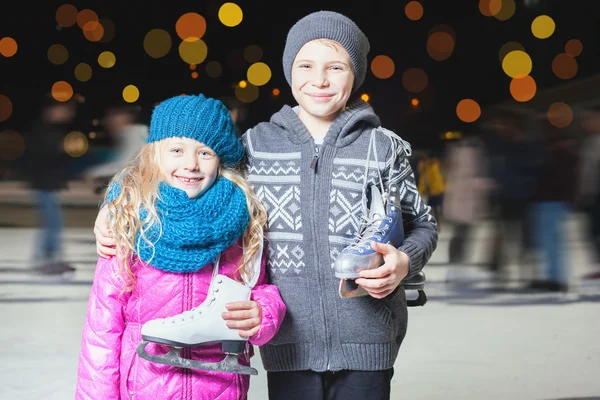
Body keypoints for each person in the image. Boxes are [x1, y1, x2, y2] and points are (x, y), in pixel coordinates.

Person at [94, 11, 438, 400]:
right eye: (306, 65)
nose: (320, 80)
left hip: (368, 337)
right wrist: (114, 203)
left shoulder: (383, 146)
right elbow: (183, 174)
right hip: (288, 341)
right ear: (290, 70)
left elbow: (422, 223)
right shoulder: (255, 146)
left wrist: (404, 261)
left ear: (355, 74)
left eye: (336, 66)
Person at [76, 94, 286, 399]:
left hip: (219, 386)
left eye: (205, 152)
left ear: (221, 159)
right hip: (146, 386)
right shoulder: (131, 220)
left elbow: (262, 288)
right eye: (177, 150)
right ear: (155, 155)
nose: (190, 164)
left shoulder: (241, 221)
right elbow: (102, 329)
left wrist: (263, 313)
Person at [24, 95, 77, 275]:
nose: (67, 114)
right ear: (51, 111)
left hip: (48, 184)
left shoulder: (50, 132)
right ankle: (45, 258)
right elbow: (41, 159)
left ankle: (50, 257)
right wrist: (59, 149)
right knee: (52, 223)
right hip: (43, 185)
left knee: (53, 223)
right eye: (63, 110)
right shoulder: (43, 132)